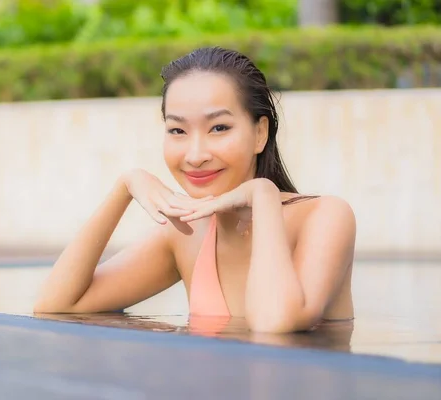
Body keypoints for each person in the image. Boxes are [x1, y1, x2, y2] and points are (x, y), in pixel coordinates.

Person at [33, 47, 356, 333]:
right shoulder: (186, 234)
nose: (196, 154)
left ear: (260, 133)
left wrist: (263, 194)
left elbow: (275, 325)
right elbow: (56, 306)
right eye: (178, 130)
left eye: (219, 128)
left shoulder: (325, 216)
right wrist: (125, 187)